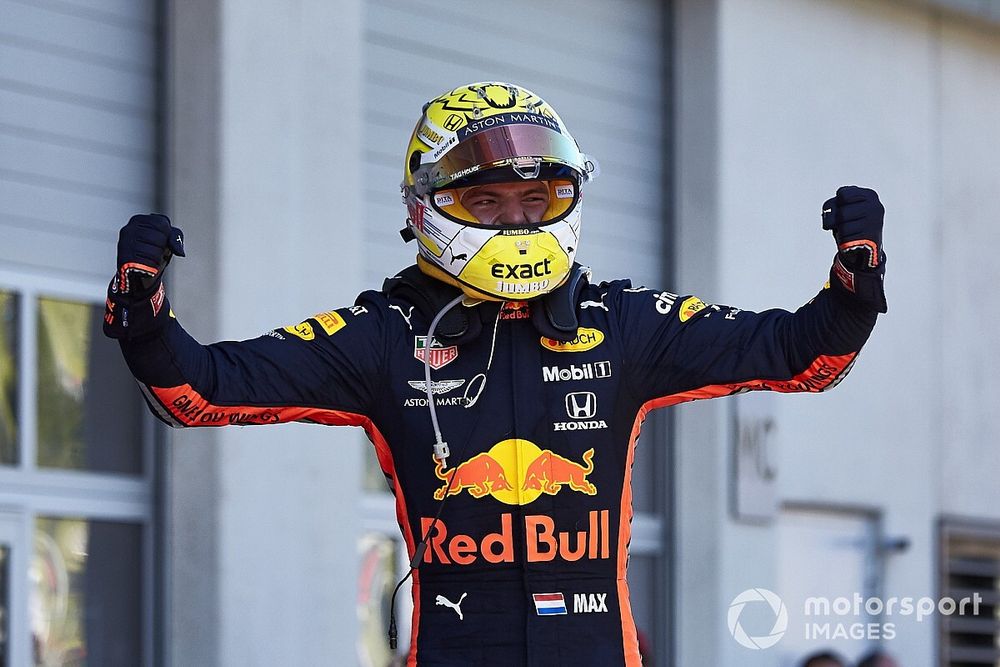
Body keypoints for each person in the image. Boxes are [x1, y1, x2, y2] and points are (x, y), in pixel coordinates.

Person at [103, 81, 887, 666]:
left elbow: (801, 356)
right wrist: (145, 319)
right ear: (424, 209)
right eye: (487, 200)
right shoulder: (384, 335)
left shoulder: (624, 323)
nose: (517, 220)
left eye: (537, 197)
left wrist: (854, 287)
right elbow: (200, 390)